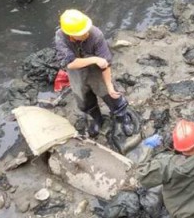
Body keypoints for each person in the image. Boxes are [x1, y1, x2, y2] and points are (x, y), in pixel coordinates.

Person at [55, 9, 137, 138]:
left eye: (86, 30)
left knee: (110, 94)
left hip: (96, 69)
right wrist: (94, 59)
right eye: (81, 33)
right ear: (70, 34)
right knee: (83, 99)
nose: (86, 33)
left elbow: (106, 63)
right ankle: (96, 119)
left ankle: (122, 116)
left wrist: (109, 86)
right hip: (76, 72)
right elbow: (68, 63)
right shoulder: (61, 37)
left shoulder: (96, 35)